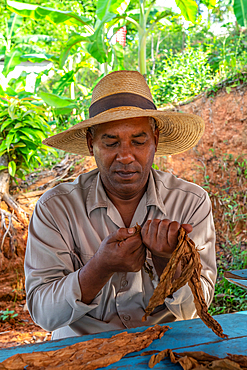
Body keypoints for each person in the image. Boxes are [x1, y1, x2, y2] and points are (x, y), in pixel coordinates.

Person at [25, 70, 216, 340]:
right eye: (111, 142)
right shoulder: (56, 208)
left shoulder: (190, 202)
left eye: (139, 141)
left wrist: (166, 263)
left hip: (164, 344)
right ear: (91, 144)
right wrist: (99, 268)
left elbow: (197, 309)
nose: (125, 156)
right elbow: (44, 314)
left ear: (156, 140)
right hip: (80, 352)